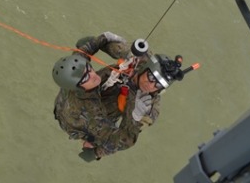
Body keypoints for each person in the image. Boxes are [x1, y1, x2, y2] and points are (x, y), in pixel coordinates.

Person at [52, 32, 188, 162]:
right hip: (70, 103)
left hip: (95, 118)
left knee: (96, 139)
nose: (151, 85)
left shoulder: (147, 109)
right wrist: (102, 40)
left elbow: (122, 139)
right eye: (151, 77)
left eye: (159, 85)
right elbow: (116, 49)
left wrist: (98, 151)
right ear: (147, 67)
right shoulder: (138, 60)